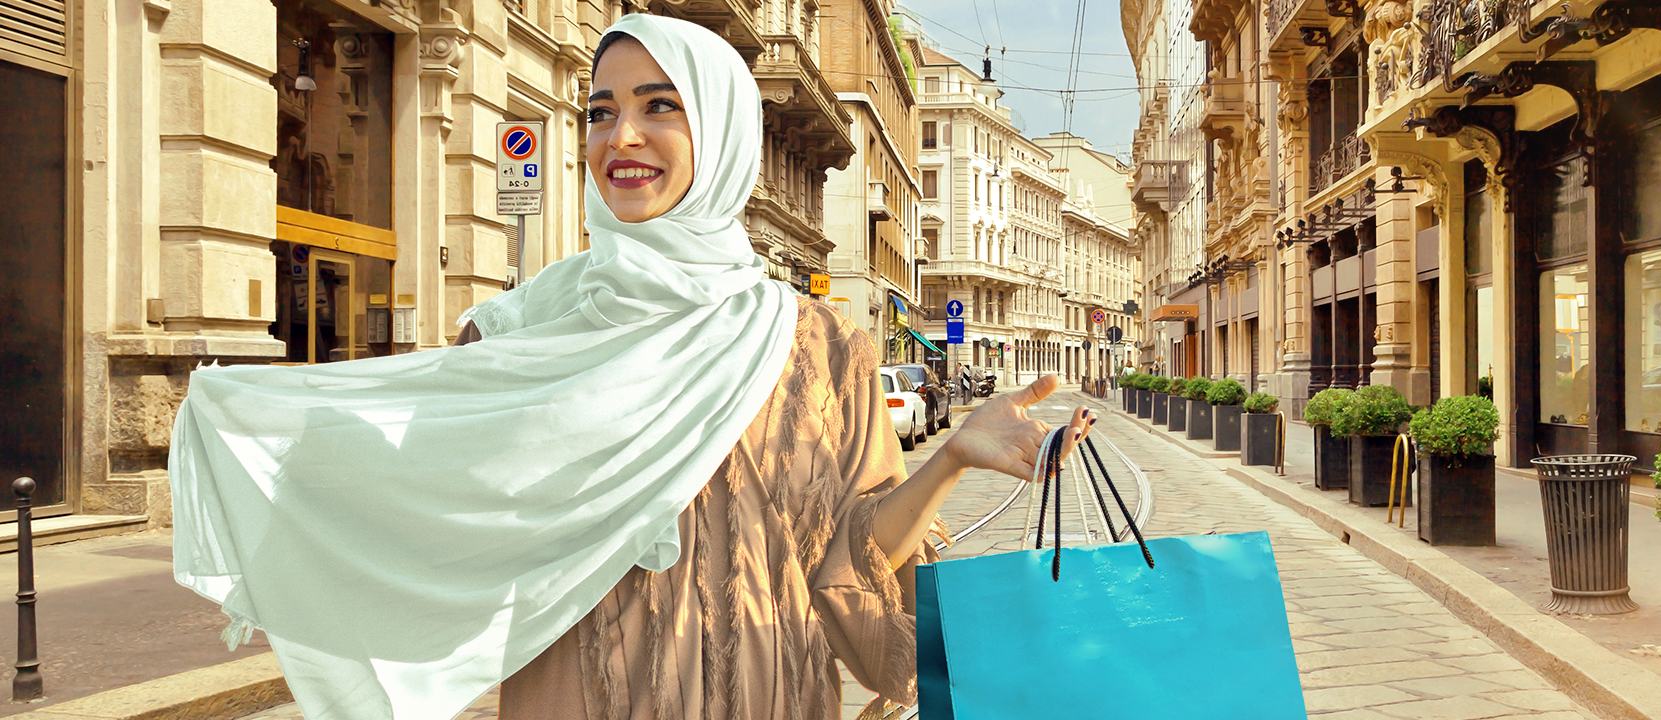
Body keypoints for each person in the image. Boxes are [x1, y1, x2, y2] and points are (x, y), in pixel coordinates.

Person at [168, 14, 1092, 720]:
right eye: (602, 111)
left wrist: (952, 457)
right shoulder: (524, 330)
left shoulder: (815, 342)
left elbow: (852, 562)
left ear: (724, 131)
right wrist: (252, 421)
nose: (623, 137)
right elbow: (430, 507)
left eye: (661, 106)